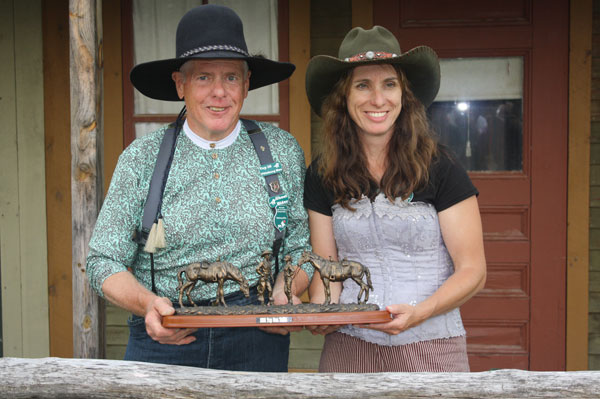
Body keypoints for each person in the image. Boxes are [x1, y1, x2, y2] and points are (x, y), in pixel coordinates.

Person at [86, 4, 312, 371]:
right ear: (180, 84)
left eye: (231, 78)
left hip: (255, 334)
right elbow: (102, 261)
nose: (219, 92)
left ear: (247, 83)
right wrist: (147, 304)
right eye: (204, 77)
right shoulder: (141, 157)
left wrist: (286, 292)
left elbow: (300, 249)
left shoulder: (281, 150)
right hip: (165, 331)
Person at [303, 26, 486, 372]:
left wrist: (421, 311)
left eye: (389, 84)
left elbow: (473, 270)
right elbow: (327, 270)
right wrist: (320, 311)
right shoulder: (322, 174)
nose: (378, 99)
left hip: (432, 348)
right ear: (343, 97)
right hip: (348, 348)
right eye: (362, 85)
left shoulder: (440, 168)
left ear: (404, 94)